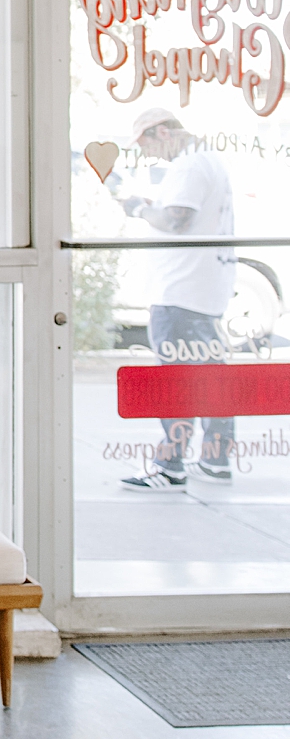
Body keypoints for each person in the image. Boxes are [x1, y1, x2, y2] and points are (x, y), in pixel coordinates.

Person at [117, 106, 238, 491]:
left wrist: (139, 208)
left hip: (181, 290)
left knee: (174, 381)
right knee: (210, 377)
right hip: (207, 287)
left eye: (148, 145)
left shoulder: (187, 167)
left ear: (164, 133)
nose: (150, 155)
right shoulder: (209, 161)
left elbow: (177, 220)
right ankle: (216, 459)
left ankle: (170, 465)